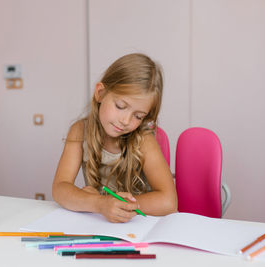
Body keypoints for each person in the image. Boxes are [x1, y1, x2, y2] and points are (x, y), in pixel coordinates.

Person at [52, 53, 177, 223]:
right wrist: (100, 204)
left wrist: (117, 205)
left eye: (138, 116)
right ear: (100, 93)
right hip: (101, 224)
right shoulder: (79, 131)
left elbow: (169, 202)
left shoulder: (144, 140)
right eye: (120, 106)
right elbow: (60, 189)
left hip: (138, 227)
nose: (125, 121)